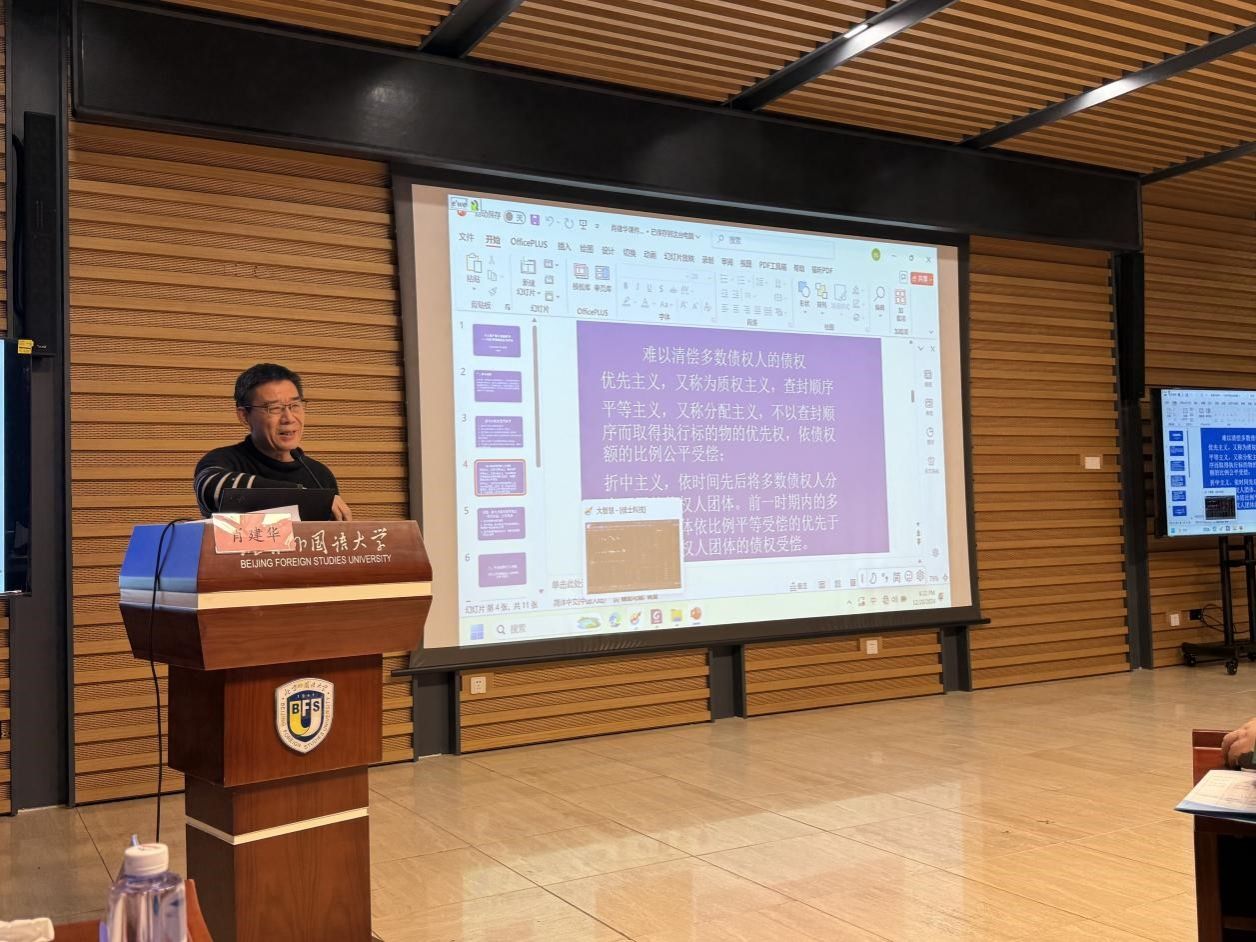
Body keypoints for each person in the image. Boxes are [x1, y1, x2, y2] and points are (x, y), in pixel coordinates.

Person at [194, 363, 352, 521]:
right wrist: (306, 498)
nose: (289, 418)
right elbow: (210, 488)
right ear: (244, 416)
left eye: (295, 405)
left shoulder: (319, 475)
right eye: (275, 408)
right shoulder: (223, 460)